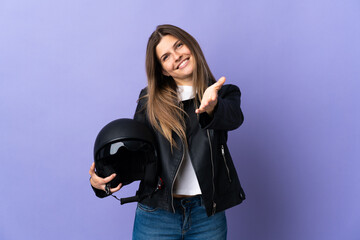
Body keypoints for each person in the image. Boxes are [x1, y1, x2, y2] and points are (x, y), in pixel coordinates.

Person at [89, 24, 245, 240]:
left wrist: (212, 107)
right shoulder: (149, 102)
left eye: (179, 45)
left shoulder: (223, 92)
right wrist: (102, 181)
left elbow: (234, 117)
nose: (177, 56)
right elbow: (140, 158)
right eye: (166, 57)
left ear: (190, 45)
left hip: (207, 215)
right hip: (157, 213)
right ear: (163, 69)